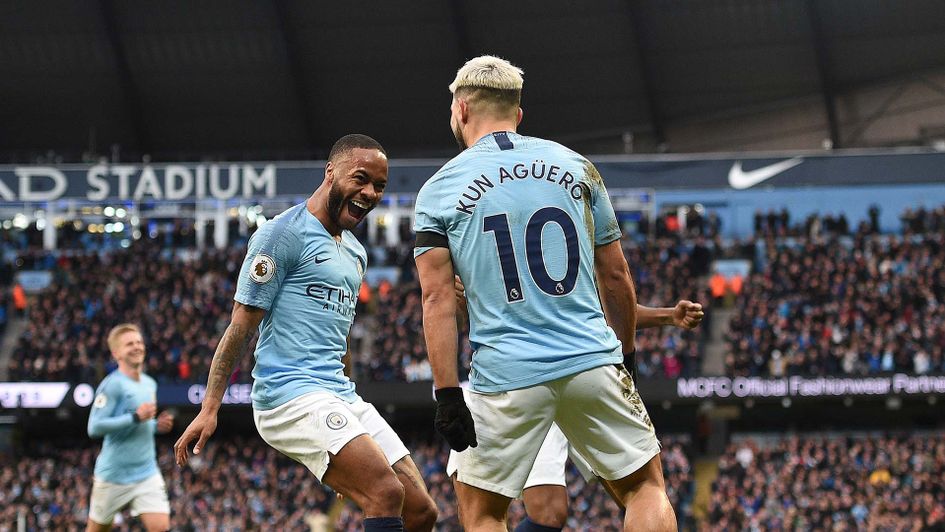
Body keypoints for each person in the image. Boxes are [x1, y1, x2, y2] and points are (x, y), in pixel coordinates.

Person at [414, 55, 676, 531]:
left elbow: (437, 300)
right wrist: (627, 356)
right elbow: (615, 276)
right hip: (590, 358)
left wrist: (447, 394)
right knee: (645, 488)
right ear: (518, 113)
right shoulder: (576, 166)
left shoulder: (439, 190)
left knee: (484, 513)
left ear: (461, 109)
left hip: (506, 374)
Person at [174, 134, 437, 532]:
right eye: (361, 178)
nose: (370, 193)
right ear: (331, 172)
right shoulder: (282, 235)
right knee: (386, 492)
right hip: (288, 395)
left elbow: (340, 336)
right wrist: (210, 407)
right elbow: (241, 326)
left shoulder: (355, 252)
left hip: (338, 394)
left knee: (421, 511)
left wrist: (351, 441)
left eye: (379, 186)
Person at [449, 274, 703, 530]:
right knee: (552, 511)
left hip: (569, 367)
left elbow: (602, 303)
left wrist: (668, 316)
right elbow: (614, 279)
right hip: (527, 375)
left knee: (613, 496)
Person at [87, 323, 174, 532]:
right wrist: (135, 417)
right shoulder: (112, 385)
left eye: (139, 342)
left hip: (146, 472)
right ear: (116, 353)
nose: (136, 347)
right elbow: (94, 427)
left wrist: (156, 425)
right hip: (113, 476)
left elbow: (142, 423)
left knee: (161, 527)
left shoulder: (149, 383)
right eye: (129, 344)